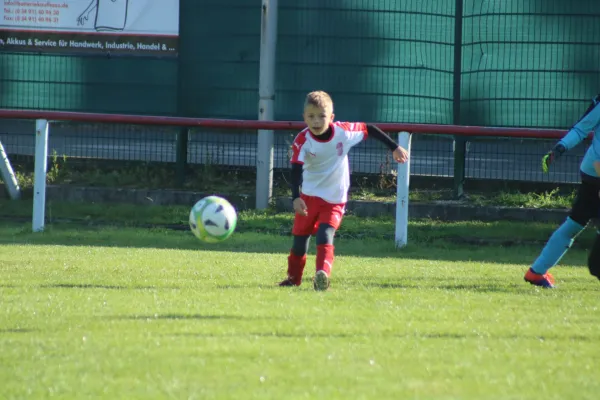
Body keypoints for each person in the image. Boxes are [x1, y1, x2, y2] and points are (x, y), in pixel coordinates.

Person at [278, 91, 409, 291]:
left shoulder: (343, 132)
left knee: (325, 233)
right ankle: (293, 278)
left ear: (331, 117)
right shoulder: (302, 140)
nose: (316, 121)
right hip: (308, 197)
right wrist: (295, 197)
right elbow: (295, 169)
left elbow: (369, 128)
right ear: (304, 117)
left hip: (334, 199)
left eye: (321, 116)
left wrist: (394, 147)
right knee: (299, 242)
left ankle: (322, 275)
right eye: (311, 116)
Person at [525, 94, 600, 288]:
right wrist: (559, 149)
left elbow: (580, 129)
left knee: (574, 223)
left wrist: (559, 148)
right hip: (595, 172)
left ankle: (537, 272)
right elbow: (581, 129)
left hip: (592, 171)